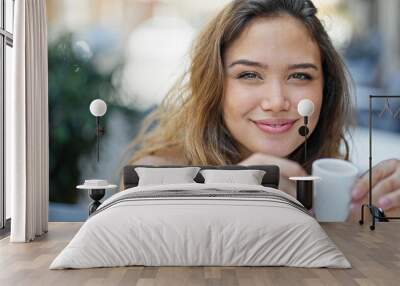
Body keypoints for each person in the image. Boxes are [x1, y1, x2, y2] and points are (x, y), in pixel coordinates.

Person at [125, 0, 400, 221]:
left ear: (326, 90)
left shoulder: (342, 189)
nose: (276, 101)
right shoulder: (155, 180)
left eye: (300, 76)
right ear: (215, 86)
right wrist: (228, 195)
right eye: (249, 75)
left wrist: (370, 230)